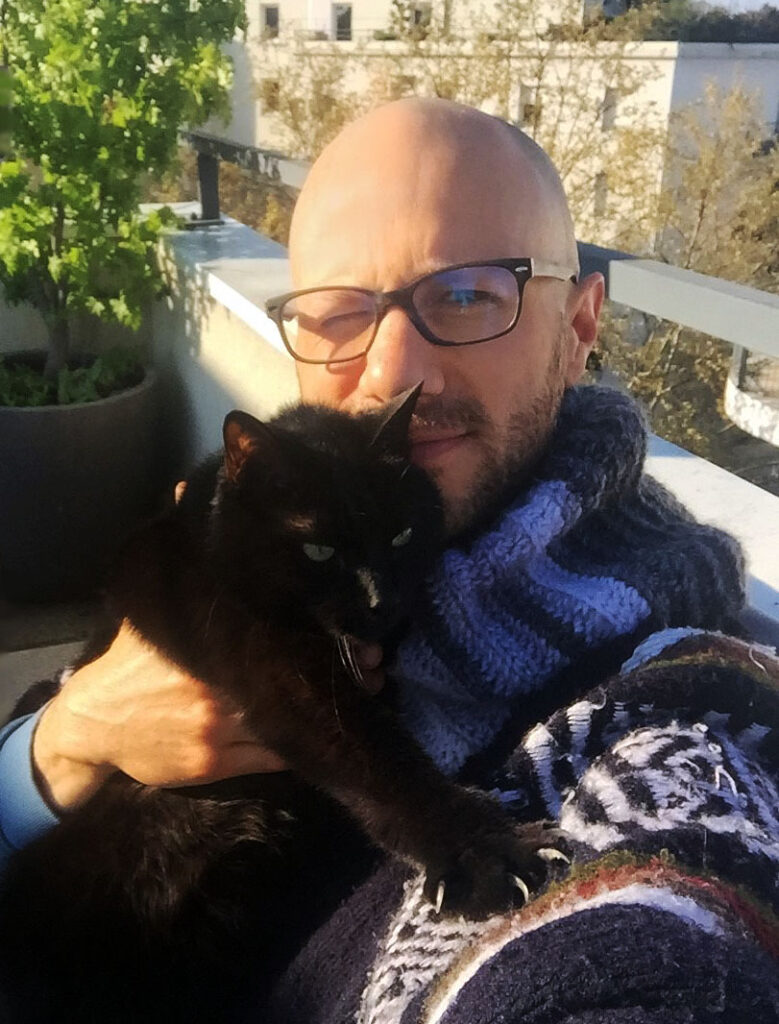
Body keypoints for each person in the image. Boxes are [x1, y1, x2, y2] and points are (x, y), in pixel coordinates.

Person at [2, 99, 778, 1021]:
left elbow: (647, 936)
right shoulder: (247, 536)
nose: (393, 371)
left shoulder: (681, 704)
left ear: (579, 328)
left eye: (465, 295)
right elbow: (50, 736)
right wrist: (65, 741)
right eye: (338, 313)